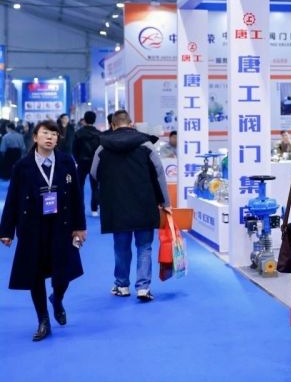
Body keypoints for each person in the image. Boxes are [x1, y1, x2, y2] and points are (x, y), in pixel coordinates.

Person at [0, 120, 86, 341]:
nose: (50, 137)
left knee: (63, 274)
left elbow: (76, 196)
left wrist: (80, 226)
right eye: (45, 133)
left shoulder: (67, 162)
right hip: (32, 227)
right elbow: (12, 200)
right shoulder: (22, 166)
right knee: (35, 275)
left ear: (58, 139)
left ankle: (57, 298)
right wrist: (6, 230)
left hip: (62, 225)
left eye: (54, 134)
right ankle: (43, 320)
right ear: (35, 137)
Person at [90, 110, 169, 302]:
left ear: (113, 125)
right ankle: (143, 288)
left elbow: (93, 173)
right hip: (144, 202)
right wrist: (165, 202)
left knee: (121, 247)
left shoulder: (102, 147)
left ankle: (122, 285)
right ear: (131, 123)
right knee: (145, 246)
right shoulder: (146, 144)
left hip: (116, 204)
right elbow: (159, 173)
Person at [72, 111, 102, 217]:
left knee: (79, 187)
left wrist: (77, 160)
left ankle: (79, 209)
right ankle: (94, 209)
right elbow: (100, 150)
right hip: (95, 163)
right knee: (95, 187)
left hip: (81, 163)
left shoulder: (78, 133)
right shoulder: (99, 134)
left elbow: (74, 149)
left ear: (84, 120)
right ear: (94, 120)